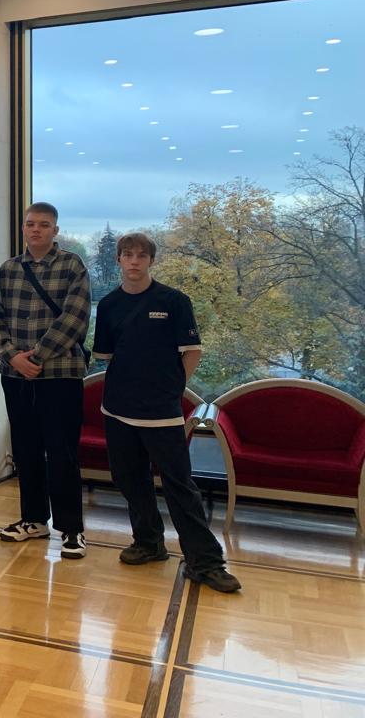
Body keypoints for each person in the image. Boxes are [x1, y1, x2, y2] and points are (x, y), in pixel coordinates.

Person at [93, 233, 241, 593]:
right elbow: (108, 357)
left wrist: (172, 389)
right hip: (118, 410)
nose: (134, 261)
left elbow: (192, 351)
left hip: (162, 413)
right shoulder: (109, 305)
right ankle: (148, 543)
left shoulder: (174, 301)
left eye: (141, 256)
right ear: (118, 260)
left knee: (179, 485)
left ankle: (205, 562)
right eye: (128, 255)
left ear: (151, 261)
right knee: (130, 480)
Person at [0, 202, 91, 559]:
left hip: (60, 374)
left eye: (44, 225)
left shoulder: (72, 265)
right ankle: (33, 519)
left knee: (62, 452)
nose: (36, 230)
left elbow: (75, 317)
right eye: (31, 224)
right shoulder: (8, 269)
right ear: (23, 228)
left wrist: (36, 356)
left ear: (55, 231)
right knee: (26, 450)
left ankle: (71, 529)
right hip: (16, 375)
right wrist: (13, 357)